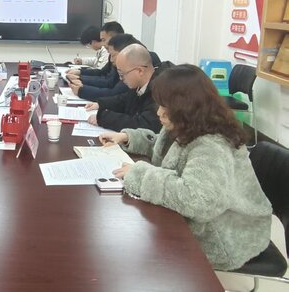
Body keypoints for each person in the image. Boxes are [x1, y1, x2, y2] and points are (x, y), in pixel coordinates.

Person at [99, 64, 271, 271]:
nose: (159, 113)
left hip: (224, 236)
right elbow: (166, 151)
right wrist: (129, 137)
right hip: (203, 222)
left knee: (130, 252)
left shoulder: (212, 145)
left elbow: (197, 201)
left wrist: (140, 175)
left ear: (187, 107)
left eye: (165, 107)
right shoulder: (191, 124)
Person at [86, 44, 172, 132]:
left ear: (140, 71)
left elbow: (144, 125)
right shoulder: (140, 83)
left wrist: (104, 118)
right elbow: (125, 100)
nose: (120, 78)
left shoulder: (162, 90)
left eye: (122, 74)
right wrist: (101, 104)